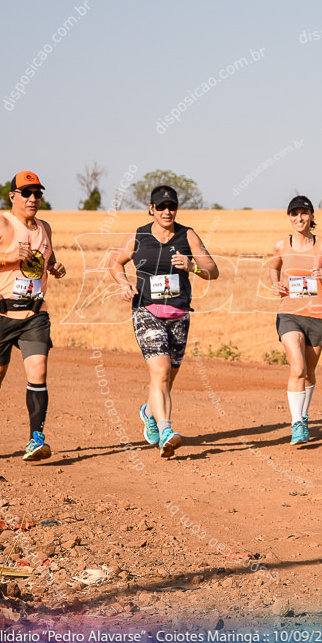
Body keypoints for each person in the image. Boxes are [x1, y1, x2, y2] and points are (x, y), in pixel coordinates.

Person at [108, 185, 219, 458]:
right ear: (151, 208)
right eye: (161, 207)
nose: (167, 211)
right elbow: (115, 263)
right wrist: (123, 284)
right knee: (160, 372)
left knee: (167, 377)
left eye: (171, 206)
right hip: (146, 310)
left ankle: (148, 411)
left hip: (179, 314)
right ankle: (167, 430)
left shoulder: (187, 235)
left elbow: (213, 271)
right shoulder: (138, 235)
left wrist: (191, 266)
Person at [0, 171, 66, 461]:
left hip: (35, 313)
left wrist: (55, 268)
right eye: (27, 193)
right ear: (13, 196)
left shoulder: (45, 227)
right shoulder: (1, 225)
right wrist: (8, 257)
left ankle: (36, 439)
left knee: (39, 370)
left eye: (37, 194)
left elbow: (48, 258)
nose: (33, 199)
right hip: (0, 312)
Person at [268, 196, 322, 444]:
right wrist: (276, 284)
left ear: (312, 216)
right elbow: (273, 267)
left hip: (317, 315)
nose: (299, 218)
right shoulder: (281, 245)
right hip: (289, 312)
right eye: (294, 214)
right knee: (298, 368)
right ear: (288, 217)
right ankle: (297, 424)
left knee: (309, 373)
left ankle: (303, 415)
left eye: (304, 213)